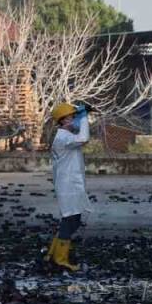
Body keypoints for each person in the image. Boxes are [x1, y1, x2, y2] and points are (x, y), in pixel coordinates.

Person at [48, 102, 91, 272]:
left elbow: (79, 135)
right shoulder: (63, 138)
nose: (75, 119)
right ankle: (60, 259)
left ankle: (53, 254)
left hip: (69, 184)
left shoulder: (66, 135)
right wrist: (84, 117)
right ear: (64, 120)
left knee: (74, 220)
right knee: (70, 220)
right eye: (73, 117)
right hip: (67, 185)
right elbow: (84, 138)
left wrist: (81, 117)